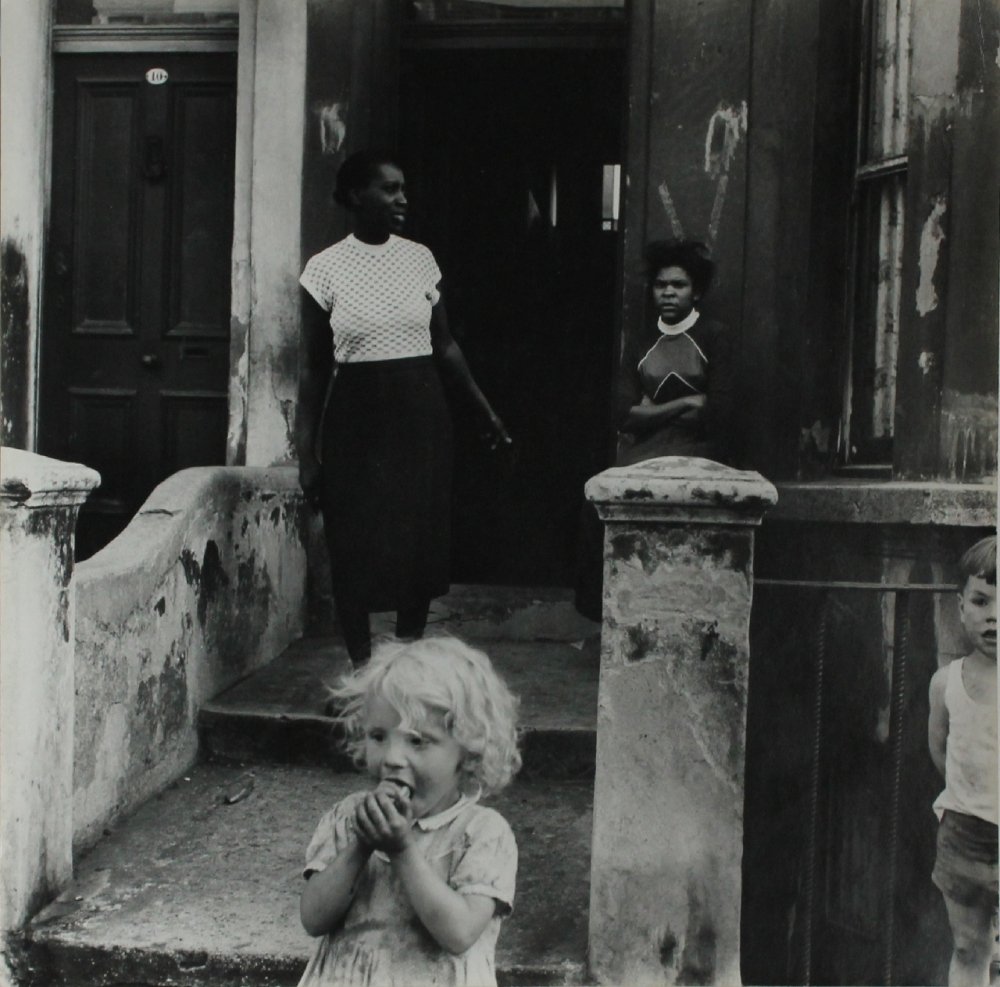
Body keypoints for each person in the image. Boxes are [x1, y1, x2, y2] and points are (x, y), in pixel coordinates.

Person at [297, 150, 510, 664]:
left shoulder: (419, 258)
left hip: (420, 416)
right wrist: (307, 453)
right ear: (355, 195)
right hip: (356, 419)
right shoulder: (323, 270)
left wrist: (486, 413)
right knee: (354, 544)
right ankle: (362, 670)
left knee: (417, 542)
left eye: (404, 189)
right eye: (390, 189)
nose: (402, 199)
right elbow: (313, 369)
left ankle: (405, 664)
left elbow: (446, 346)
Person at [297, 636, 521, 987]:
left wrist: (402, 850)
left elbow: (459, 934)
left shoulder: (482, 833)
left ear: (468, 750)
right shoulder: (347, 818)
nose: (391, 758)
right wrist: (360, 846)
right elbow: (313, 918)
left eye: (417, 741)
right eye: (378, 736)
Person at [574, 238, 734, 620]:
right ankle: (605, 611)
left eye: (678, 285)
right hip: (646, 450)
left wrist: (652, 409)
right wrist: (686, 402)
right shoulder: (643, 343)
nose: (668, 293)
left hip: (702, 448)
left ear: (695, 292)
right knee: (596, 497)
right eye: (661, 285)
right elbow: (623, 415)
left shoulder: (715, 336)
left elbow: (718, 412)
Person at [928, 535, 998, 987]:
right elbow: (939, 750)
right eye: (981, 600)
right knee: (969, 947)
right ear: (960, 608)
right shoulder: (945, 683)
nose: (994, 614)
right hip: (963, 837)